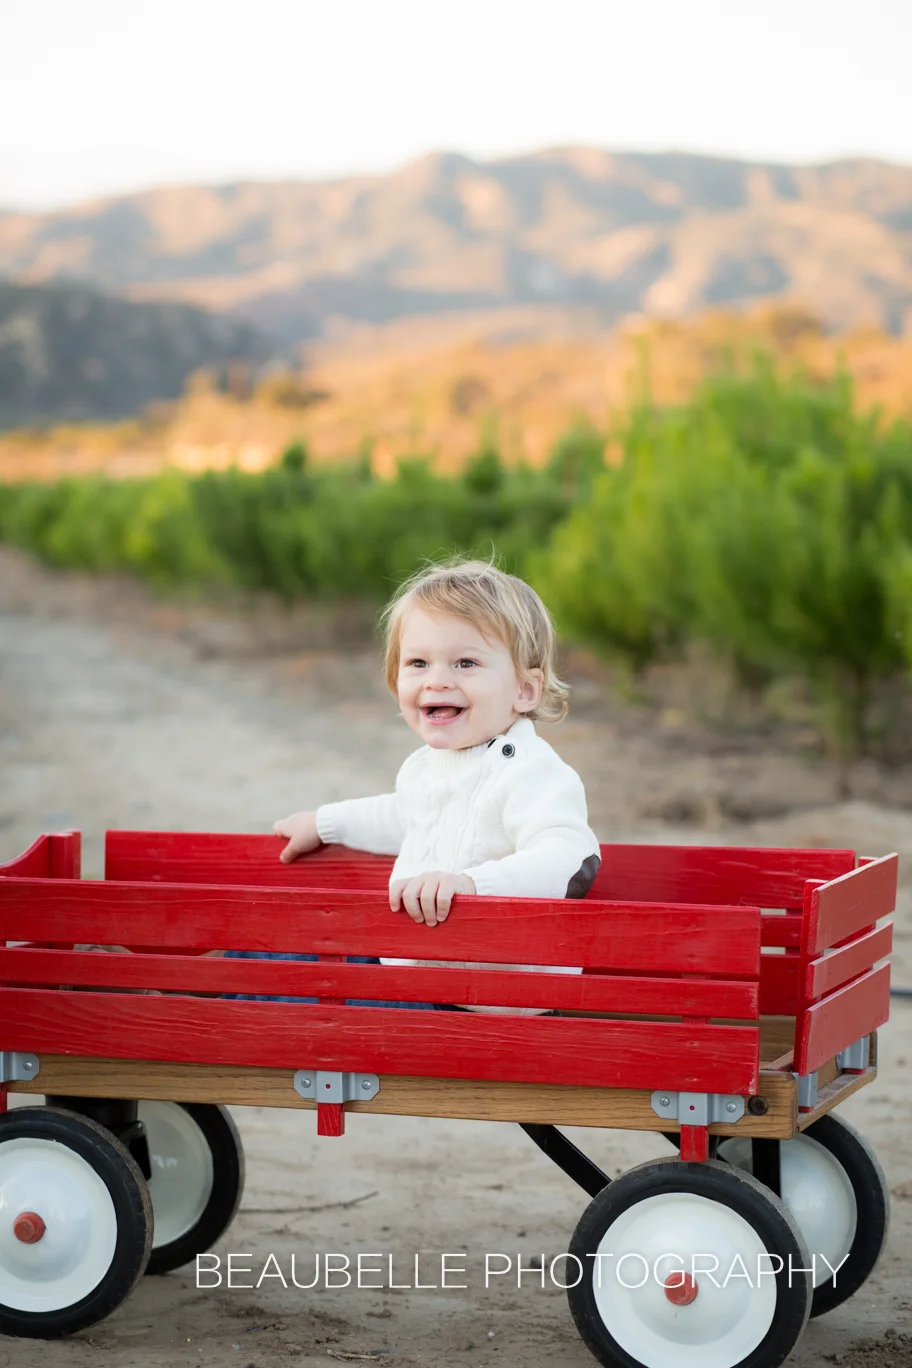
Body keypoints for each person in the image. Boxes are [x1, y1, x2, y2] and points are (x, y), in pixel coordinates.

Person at [234, 558, 599, 1015]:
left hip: (491, 1002)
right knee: (282, 954)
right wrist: (326, 824)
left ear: (524, 690)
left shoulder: (532, 773)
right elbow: (402, 815)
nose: (437, 679)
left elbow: (569, 856)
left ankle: (194, 1017)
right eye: (418, 662)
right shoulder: (428, 767)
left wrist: (471, 885)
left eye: (466, 662)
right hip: (417, 973)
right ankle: (186, 996)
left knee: (313, 984)